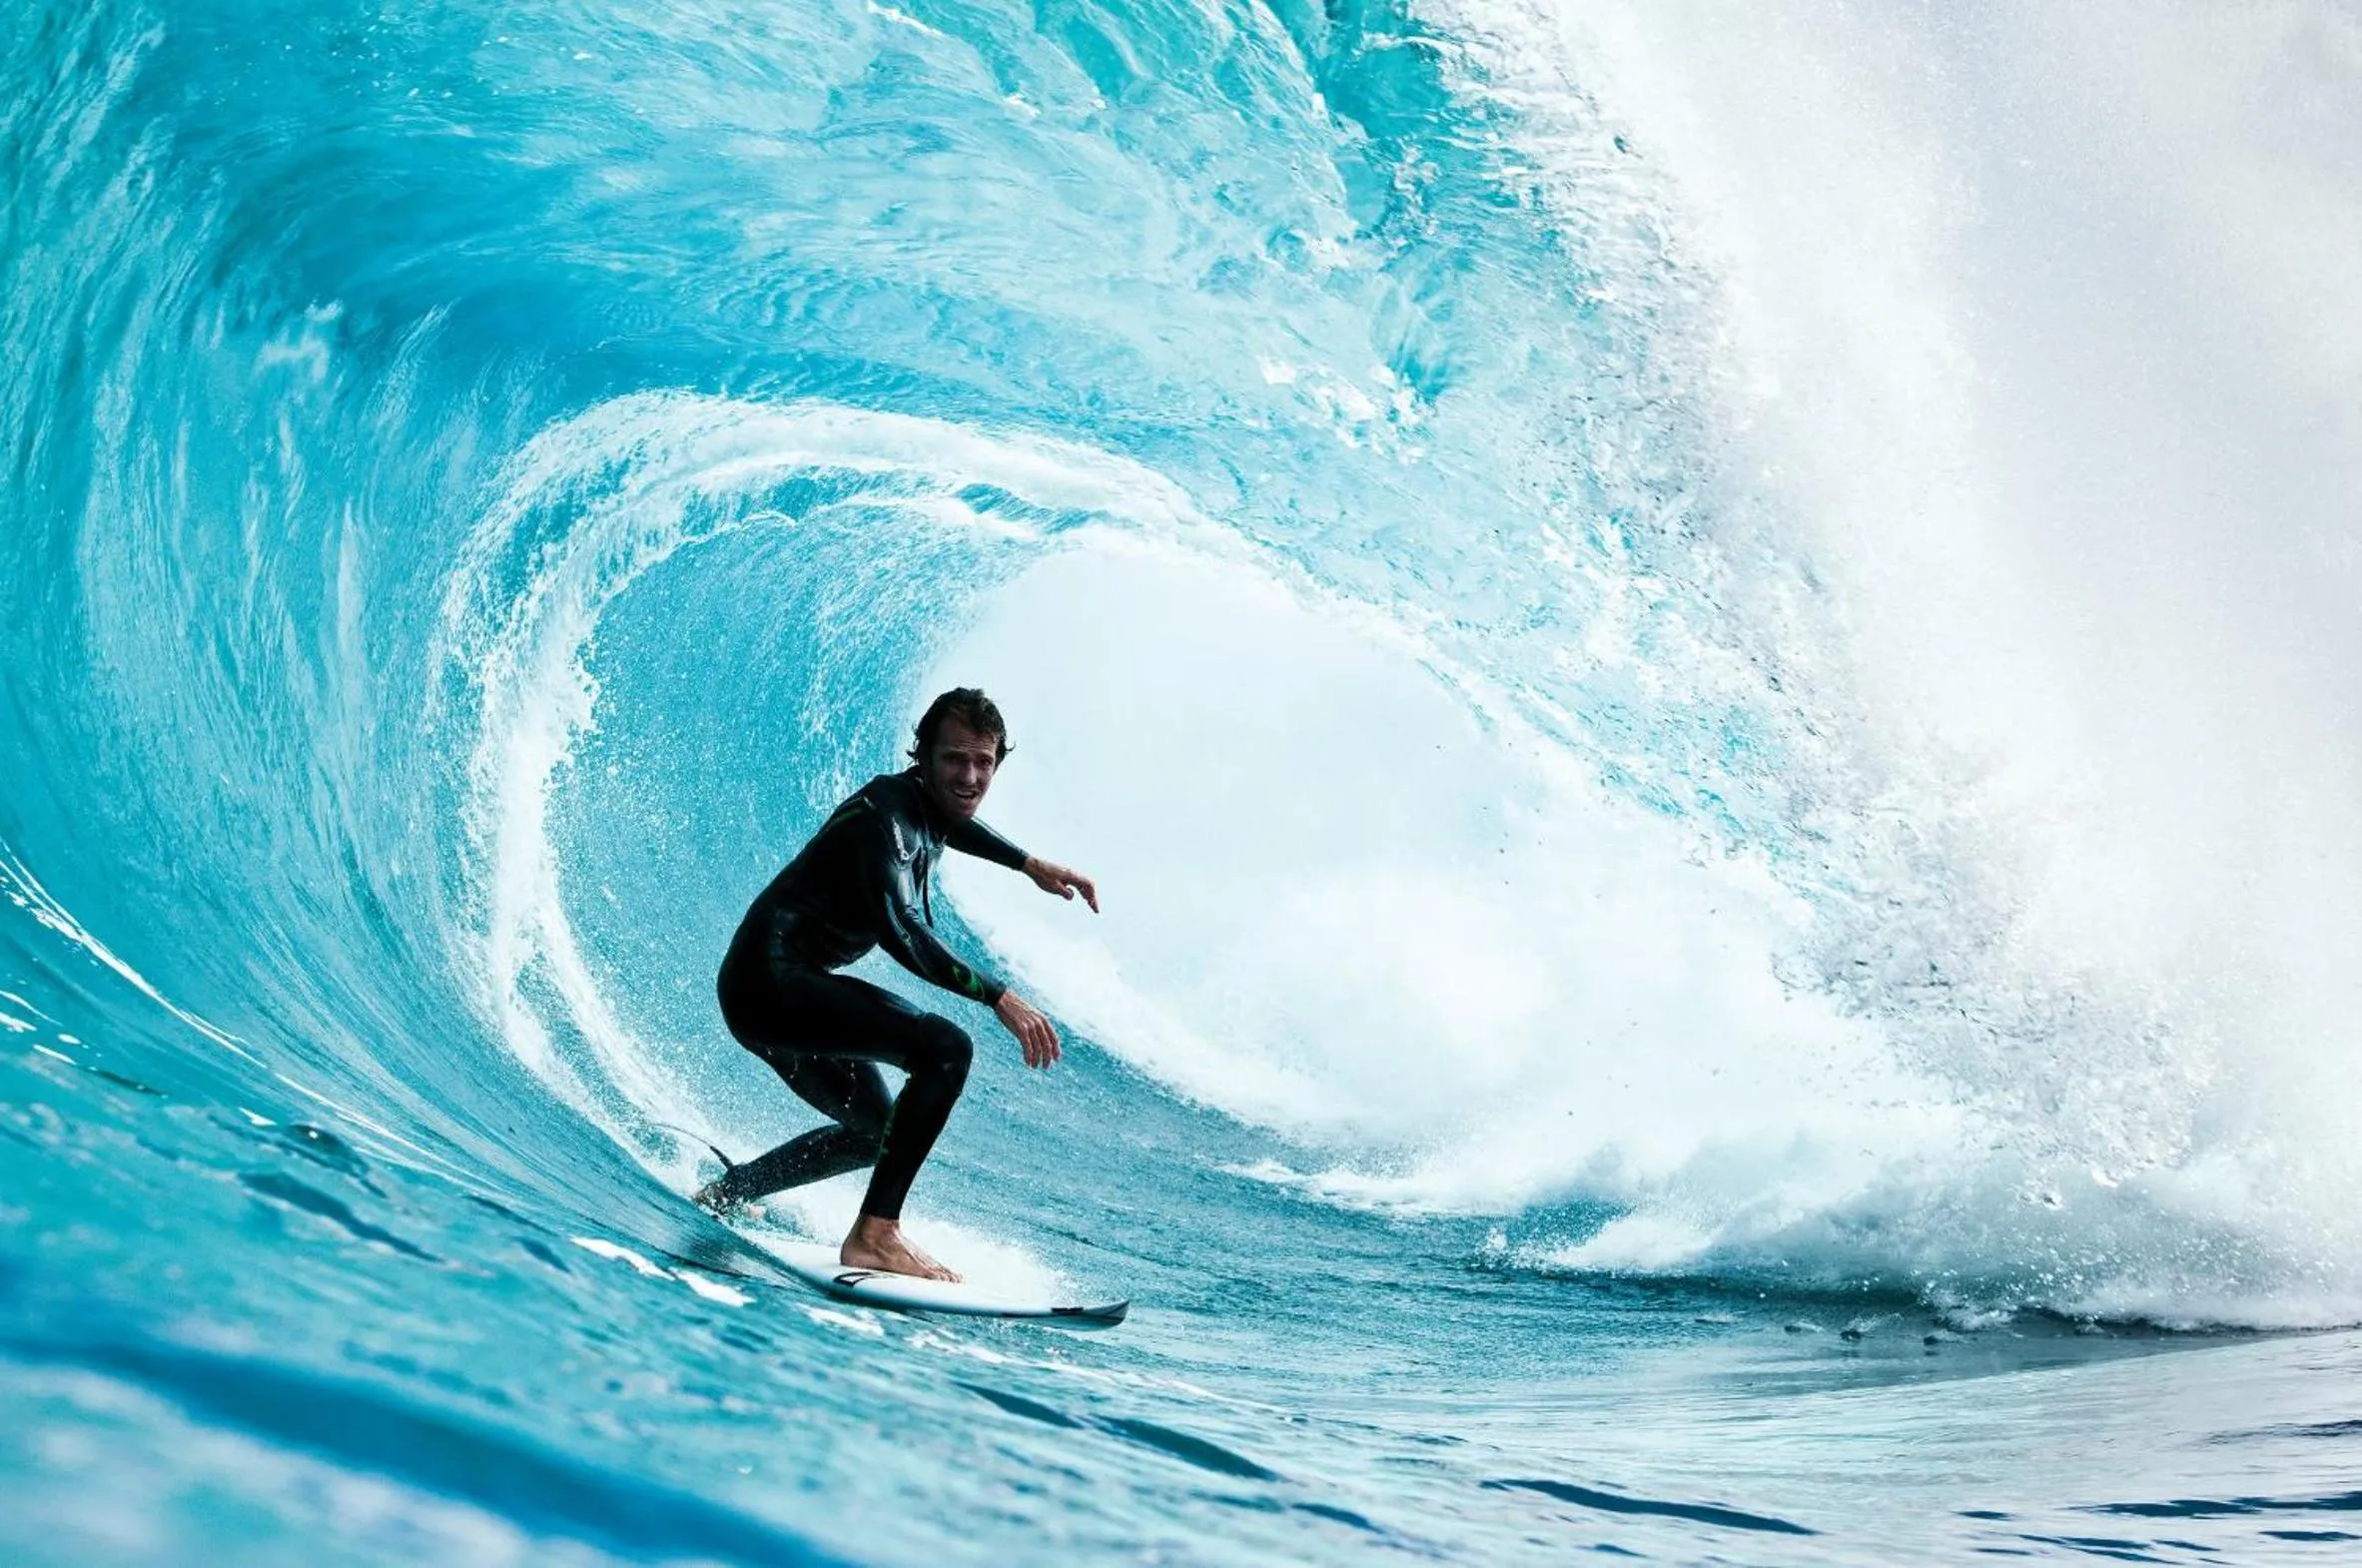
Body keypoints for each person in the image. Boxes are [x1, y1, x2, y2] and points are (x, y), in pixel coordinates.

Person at [697, 687, 1098, 1282]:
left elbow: (952, 823)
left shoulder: (924, 806)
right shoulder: (884, 819)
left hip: (772, 988)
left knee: (877, 1134)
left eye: (983, 763)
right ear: (923, 758)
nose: (969, 777)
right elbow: (902, 930)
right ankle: (876, 1234)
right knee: (946, 1047)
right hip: (771, 984)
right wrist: (998, 997)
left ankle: (729, 1193)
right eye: (953, 760)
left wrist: (1027, 864)